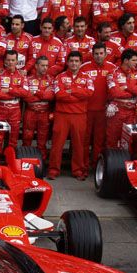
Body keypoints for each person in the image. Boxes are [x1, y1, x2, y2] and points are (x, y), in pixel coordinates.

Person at [49, 51, 94, 179]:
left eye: (76, 61)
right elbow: (59, 95)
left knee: (79, 145)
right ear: (67, 62)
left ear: (80, 63)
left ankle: (78, 171)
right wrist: (78, 93)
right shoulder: (60, 77)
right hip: (62, 115)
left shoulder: (87, 77)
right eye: (71, 61)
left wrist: (71, 90)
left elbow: (89, 93)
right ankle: (53, 170)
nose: (74, 63)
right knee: (57, 144)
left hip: (79, 115)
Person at [80, 43, 116, 168]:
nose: (99, 56)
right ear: (92, 54)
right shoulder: (84, 67)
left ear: (106, 54)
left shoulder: (112, 68)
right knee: (84, 140)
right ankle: (83, 166)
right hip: (86, 110)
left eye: (101, 53)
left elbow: (115, 89)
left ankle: (96, 166)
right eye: (96, 54)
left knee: (99, 141)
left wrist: (112, 103)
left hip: (103, 111)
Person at [106, 49, 137, 149]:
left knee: (128, 142)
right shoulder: (113, 73)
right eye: (133, 60)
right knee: (112, 140)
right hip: (117, 112)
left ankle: (127, 164)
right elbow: (115, 92)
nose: (136, 62)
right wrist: (133, 92)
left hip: (132, 112)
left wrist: (127, 88)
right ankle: (112, 163)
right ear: (125, 61)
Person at [0, 50, 30, 150]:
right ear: (4, 61)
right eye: (8, 60)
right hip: (1, 107)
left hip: (15, 108)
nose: (10, 62)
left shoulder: (22, 75)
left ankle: (10, 158)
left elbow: (25, 92)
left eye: (13, 60)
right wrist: (15, 93)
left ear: (17, 61)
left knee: (14, 136)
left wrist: (8, 90)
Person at [23, 56, 54, 158]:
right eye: (42, 65)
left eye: (46, 66)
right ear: (36, 66)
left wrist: (36, 92)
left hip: (44, 113)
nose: (45, 68)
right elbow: (26, 97)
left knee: (42, 139)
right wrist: (43, 95)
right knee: (27, 138)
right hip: (30, 112)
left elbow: (50, 96)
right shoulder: (28, 79)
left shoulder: (51, 80)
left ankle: (42, 163)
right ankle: (24, 160)